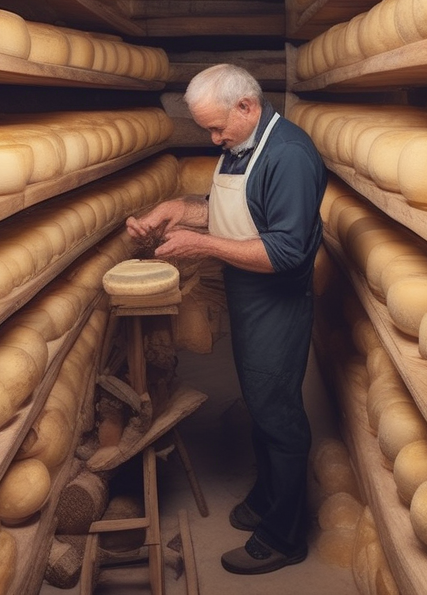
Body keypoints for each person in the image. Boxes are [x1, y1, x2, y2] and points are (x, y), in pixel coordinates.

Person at [126, 64, 326, 574]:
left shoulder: (289, 157)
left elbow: (287, 252)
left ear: (247, 105)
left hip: (276, 302)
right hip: (247, 294)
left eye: (218, 127)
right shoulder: (243, 146)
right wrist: (173, 211)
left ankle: (285, 536)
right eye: (207, 129)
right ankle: (266, 497)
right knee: (260, 404)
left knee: (279, 415)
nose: (213, 138)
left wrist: (198, 244)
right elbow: (228, 210)